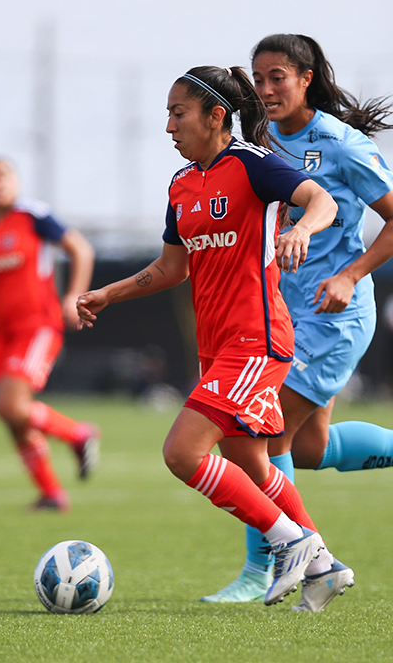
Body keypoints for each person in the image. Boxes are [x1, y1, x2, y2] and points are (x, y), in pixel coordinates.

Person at [200, 34, 393, 607]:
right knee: (305, 449)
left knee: (258, 432)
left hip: (334, 315)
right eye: (259, 79)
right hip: (283, 312)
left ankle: (267, 567)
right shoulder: (259, 139)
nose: (267, 89)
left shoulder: (342, 145)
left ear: (306, 78)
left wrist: (349, 276)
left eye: (278, 76)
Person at [76, 65, 344, 608]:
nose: (169, 127)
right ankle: (324, 566)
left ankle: (290, 542)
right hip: (218, 347)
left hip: (256, 339)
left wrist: (299, 227)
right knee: (251, 464)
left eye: (178, 114)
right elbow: (173, 268)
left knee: (182, 453)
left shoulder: (253, 164)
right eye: (168, 116)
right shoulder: (180, 185)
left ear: (216, 115)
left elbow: (323, 202)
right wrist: (111, 292)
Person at [0, 158, 99, 512]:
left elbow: (82, 249)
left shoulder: (33, 215)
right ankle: (51, 494)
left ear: (15, 181)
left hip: (37, 325)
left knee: (10, 405)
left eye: (3, 176)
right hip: (2, 333)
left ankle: (78, 434)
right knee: (11, 415)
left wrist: (74, 296)